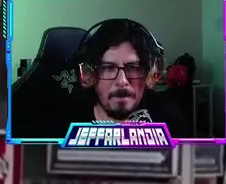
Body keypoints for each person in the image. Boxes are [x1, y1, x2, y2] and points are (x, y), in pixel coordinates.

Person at [28, 18, 188, 139]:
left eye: (133, 67)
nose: (122, 81)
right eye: (108, 68)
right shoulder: (63, 123)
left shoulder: (168, 116)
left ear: (149, 73)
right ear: (90, 74)